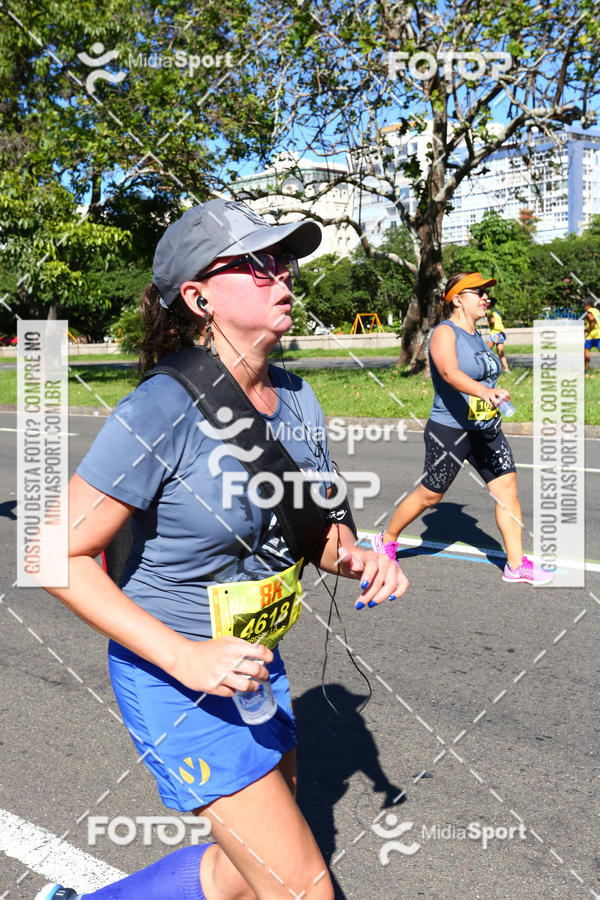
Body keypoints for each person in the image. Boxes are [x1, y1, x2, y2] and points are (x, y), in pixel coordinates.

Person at [35, 200, 408, 900]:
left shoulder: (298, 402)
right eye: (259, 264)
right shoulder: (161, 409)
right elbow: (53, 555)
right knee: (301, 887)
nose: (284, 277)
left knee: (237, 874)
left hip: (255, 666)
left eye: (286, 262)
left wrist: (361, 555)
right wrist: (186, 656)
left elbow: (319, 535)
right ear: (198, 296)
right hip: (174, 674)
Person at [371, 271, 552, 586]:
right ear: (456, 298)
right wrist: (484, 392)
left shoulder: (478, 335)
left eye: (486, 292)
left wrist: (495, 394)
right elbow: (448, 371)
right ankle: (387, 539)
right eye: (477, 292)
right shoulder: (445, 332)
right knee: (431, 496)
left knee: (507, 491)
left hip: (486, 429)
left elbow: (482, 375)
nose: (485, 297)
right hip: (451, 430)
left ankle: (515, 564)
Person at [485, 297, 510, 372]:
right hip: (501, 333)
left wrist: (488, 324)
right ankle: (506, 369)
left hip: (495, 334)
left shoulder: (490, 311)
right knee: (500, 352)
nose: (485, 303)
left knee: (485, 351)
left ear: (489, 303)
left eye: (486, 302)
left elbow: (492, 320)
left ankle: (489, 369)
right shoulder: (497, 310)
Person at [583, 295, 600, 373]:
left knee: (586, 351)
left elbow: (592, 320)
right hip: (599, 333)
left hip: (591, 335)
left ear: (588, 305)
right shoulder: (597, 310)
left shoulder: (589, 312)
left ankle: (587, 370)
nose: (584, 307)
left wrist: (587, 331)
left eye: (584, 305)